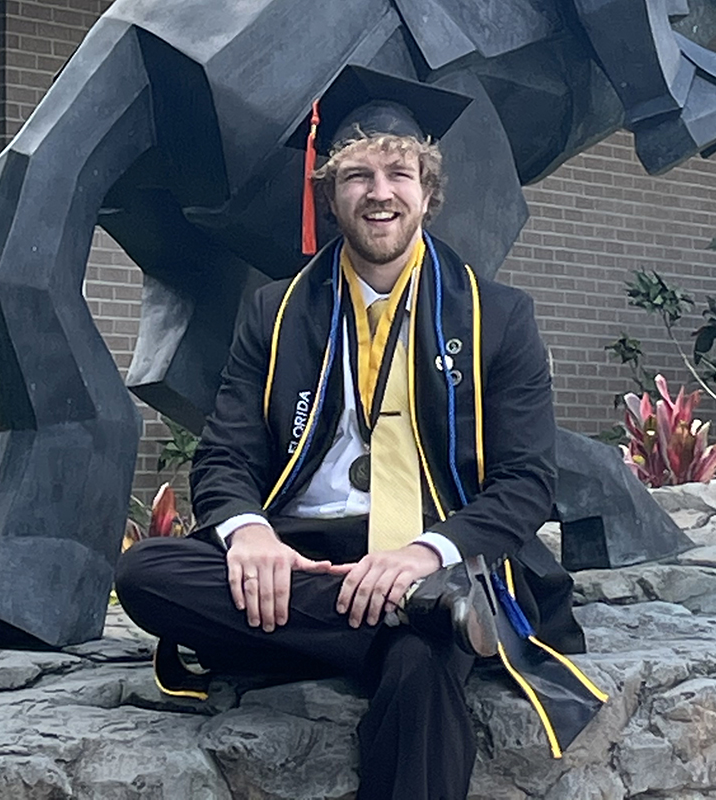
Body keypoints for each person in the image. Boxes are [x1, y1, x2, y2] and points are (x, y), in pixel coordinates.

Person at [114, 68, 604, 800]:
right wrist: (248, 535)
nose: (380, 192)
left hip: (436, 555)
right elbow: (225, 456)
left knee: (421, 678)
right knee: (145, 574)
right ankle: (417, 618)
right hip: (304, 559)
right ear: (329, 192)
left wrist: (423, 557)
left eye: (398, 173)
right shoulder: (275, 313)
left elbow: (526, 480)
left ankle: (410, 614)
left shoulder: (497, 317)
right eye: (358, 176)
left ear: (428, 192)